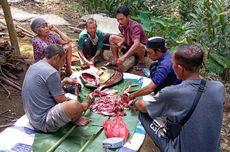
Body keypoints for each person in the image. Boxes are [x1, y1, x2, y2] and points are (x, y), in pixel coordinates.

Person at [128, 44, 225, 151]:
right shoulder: (219, 88)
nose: (172, 67)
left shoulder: (172, 93)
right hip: (213, 149)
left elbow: (143, 107)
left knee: (143, 114)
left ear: (180, 68)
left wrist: (135, 102)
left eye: (172, 64)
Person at [22, 44, 92, 132]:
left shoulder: (34, 66)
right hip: (43, 122)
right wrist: (81, 107)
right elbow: (61, 100)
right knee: (75, 105)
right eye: (63, 60)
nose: (64, 64)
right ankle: (76, 119)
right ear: (56, 57)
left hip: (32, 117)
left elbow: (46, 89)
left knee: (72, 102)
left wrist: (63, 82)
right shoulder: (52, 72)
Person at [123, 37, 181, 101]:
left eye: (150, 53)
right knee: (154, 66)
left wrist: (131, 96)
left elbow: (150, 89)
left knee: (154, 69)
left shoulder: (164, 65)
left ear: (158, 50)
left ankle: (160, 92)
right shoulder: (167, 54)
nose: (148, 55)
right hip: (174, 82)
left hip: (174, 90)